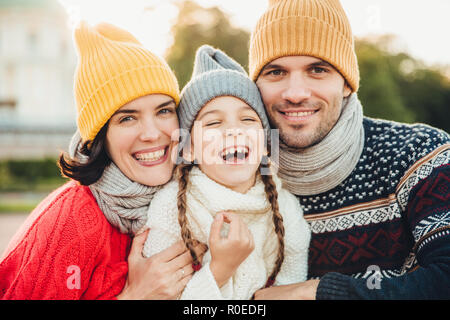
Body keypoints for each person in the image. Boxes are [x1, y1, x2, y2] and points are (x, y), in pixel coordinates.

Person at [249, 0, 450, 299]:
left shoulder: (420, 155)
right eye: (275, 72)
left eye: (317, 69)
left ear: (347, 83)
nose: (295, 93)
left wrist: (316, 293)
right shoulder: (231, 174)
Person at [0, 21, 206, 300]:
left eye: (163, 111)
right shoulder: (70, 223)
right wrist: (135, 296)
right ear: (101, 136)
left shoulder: (192, 202)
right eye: (127, 118)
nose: (151, 134)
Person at [142, 45, 311, 299]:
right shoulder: (171, 207)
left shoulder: (284, 208)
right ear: (188, 149)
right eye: (213, 122)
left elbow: (291, 287)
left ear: (266, 143)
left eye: (248, 119)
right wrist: (220, 269)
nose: (234, 130)